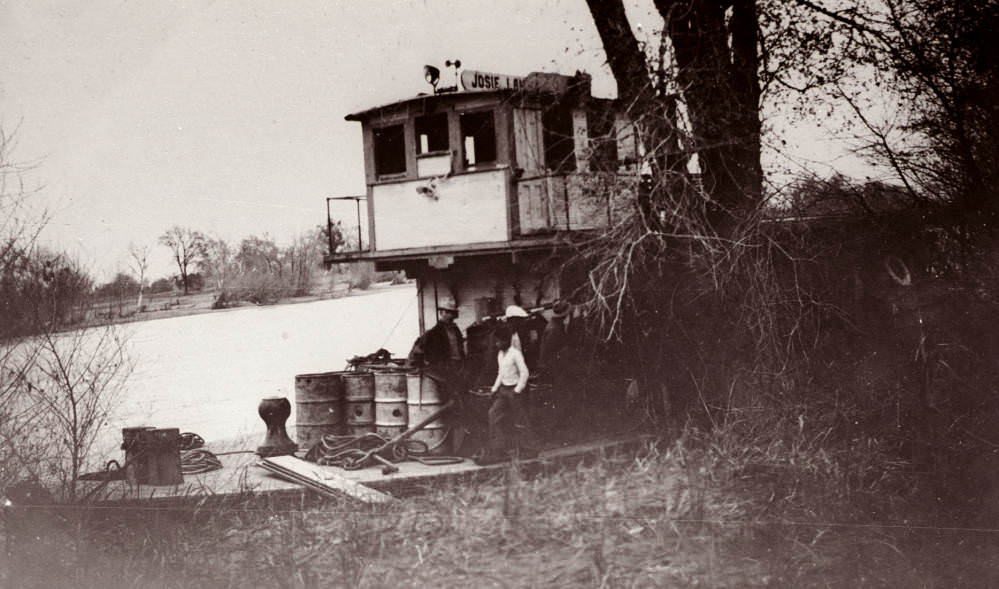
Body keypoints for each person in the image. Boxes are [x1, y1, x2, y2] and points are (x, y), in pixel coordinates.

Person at [476, 324, 539, 464]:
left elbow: (525, 373)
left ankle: (529, 449)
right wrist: (494, 389)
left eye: (499, 341)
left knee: (520, 420)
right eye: (496, 341)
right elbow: (501, 373)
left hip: (515, 390)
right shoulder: (500, 355)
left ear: (506, 341)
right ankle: (499, 450)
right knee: (493, 414)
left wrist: (517, 390)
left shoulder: (515, 354)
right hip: (503, 390)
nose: (497, 344)